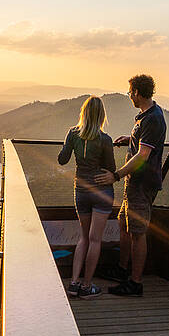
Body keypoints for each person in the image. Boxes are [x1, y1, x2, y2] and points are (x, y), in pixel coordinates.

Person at [95, 74, 166, 296]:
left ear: (136, 92)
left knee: (137, 231)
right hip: (134, 183)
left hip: (141, 184)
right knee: (125, 225)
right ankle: (122, 269)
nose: (129, 96)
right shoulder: (147, 116)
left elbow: (143, 156)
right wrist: (131, 140)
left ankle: (135, 283)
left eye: (130, 92)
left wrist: (116, 175)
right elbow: (144, 145)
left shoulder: (152, 118)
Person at [58, 95, 117, 299]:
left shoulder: (73, 134)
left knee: (83, 237)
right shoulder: (105, 140)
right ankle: (87, 286)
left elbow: (62, 159)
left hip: (81, 191)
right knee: (95, 240)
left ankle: (73, 283)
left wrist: (69, 143)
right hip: (101, 192)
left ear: (83, 113)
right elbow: (111, 169)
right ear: (101, 116)